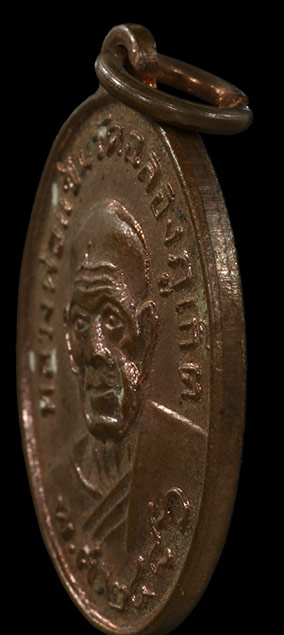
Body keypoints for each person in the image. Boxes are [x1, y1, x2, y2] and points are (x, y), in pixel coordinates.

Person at [63, 200, 206, 552]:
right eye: (81, 324)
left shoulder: (184, 452)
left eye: (112, 319)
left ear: (146, 333)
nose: (96, 350)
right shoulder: (61, 474)